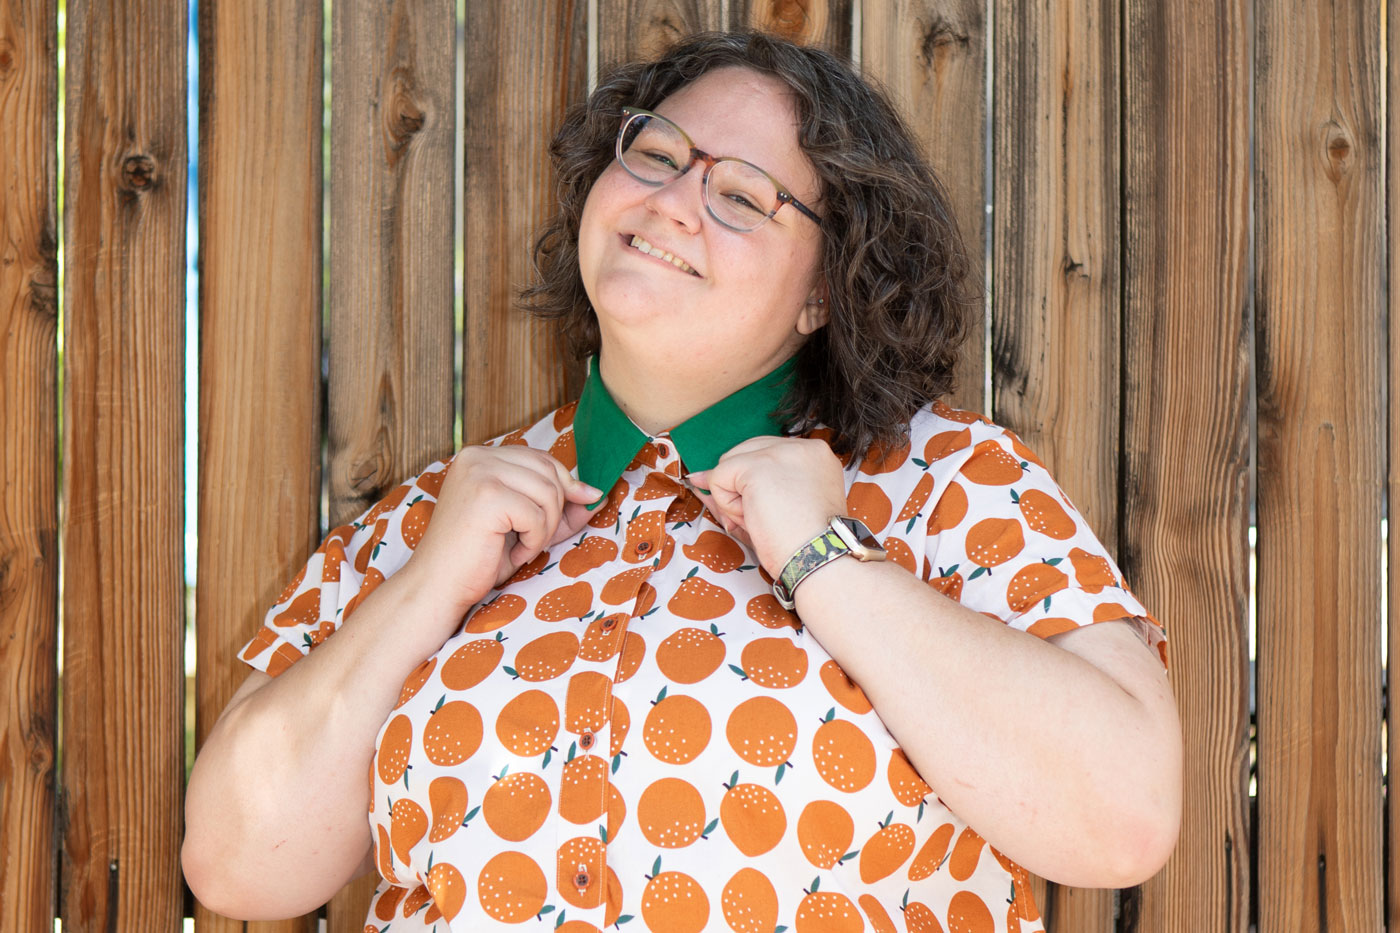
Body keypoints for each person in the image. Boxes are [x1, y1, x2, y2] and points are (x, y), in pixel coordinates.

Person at [182, 30, 1181, 932]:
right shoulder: (437, 514)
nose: (670, 201)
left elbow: (1120, 822)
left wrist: (828, 563)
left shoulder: (947, 479)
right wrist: (426, 585)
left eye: (741, 196)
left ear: (824, 293)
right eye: (657, 155)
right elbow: (236, 868)